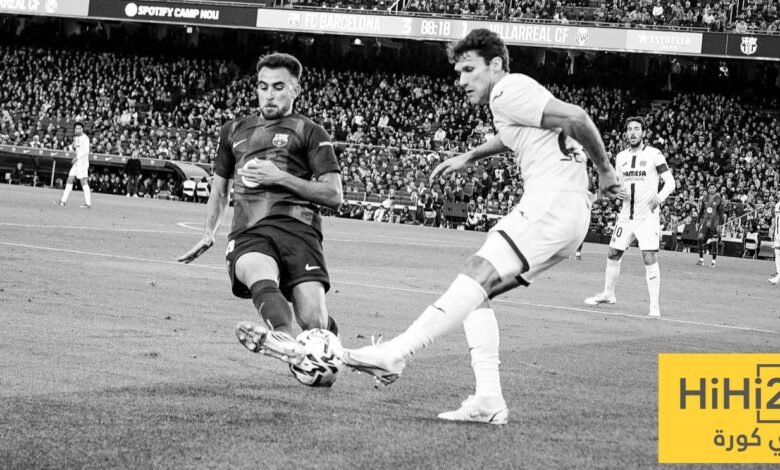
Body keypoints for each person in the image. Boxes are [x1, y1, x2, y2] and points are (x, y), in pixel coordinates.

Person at [342, 29, 621, 424]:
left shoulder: (507, 89)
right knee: (475, 296)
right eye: (458, 72)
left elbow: (577, 118)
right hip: (569, 213)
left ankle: (395, 352)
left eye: (469, 70)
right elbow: (511, 137)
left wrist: (606, 170)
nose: (461, 80)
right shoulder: (515, 100)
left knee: (474, 273)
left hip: (551, 202)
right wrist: (470, 156)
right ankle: (489, 400)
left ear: (496, 65)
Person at [177, 53, 343, 372]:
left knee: (314, 322)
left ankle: (327, 350)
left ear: (295, 89)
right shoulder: (233, 130)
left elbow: (334, 195)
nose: (268, 94)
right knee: (256, 269)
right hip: (249, 231)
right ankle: (282, 340)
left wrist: (279, 176)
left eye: (278, 87)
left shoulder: (311, 132)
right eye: (263, 86)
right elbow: (220, 189)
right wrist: (209, 233)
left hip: (298, 230)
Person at [584, 117, 675, 317]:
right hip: (626, 216)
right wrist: (618, 192)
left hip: (647, 217)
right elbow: (618, 184)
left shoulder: (654, 154)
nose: (633, 133)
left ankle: (654, 307)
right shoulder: (621, 157)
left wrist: (659, 198)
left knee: (649, 257)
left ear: (644, 133)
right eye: (629, 129)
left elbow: (670, 183)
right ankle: (608, 294)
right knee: (613, 254)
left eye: (636, 129)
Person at [53, 122, 92, 208]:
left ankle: (88, 204)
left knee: (83, 182)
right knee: (69, 179)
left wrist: (77, 157)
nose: (77, 130)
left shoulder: (85, 138)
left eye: (79, 128)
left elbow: (86, 151)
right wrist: (70, 147)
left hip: (82, 163)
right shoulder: (76, 138)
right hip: (77, 163)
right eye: (76, 128)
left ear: (82, 129)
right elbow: (76, 149)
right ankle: (63, 201)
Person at [695, 183, 724, 267]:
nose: (711, 189)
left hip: (714, 224)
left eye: (713, 188)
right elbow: (701, 211)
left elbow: (721, 214)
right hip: (705, 223)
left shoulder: (719, 199)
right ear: (708, 189)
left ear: (716, 189)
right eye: (710, 188)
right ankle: (701, 260)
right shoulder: (705, 198)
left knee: (714, 242)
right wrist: (697, 222)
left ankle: (713, 262)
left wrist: (720, 225)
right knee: (700, 238)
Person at [769, 197, 780, 285]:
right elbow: (775, 219)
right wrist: (772, 228)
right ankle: (778, 273)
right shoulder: (777, 205)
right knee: (777, 252)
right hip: (778, 233)